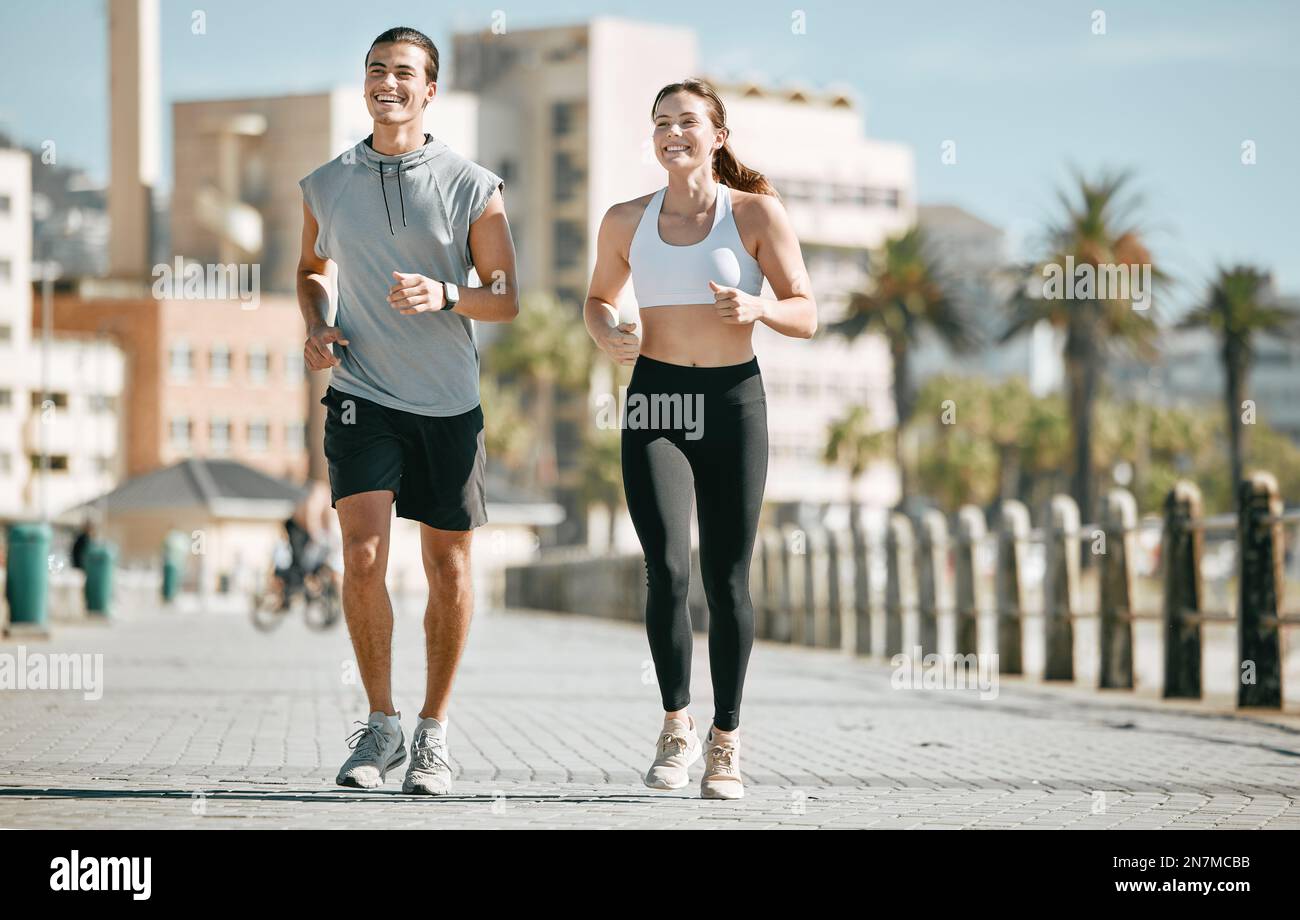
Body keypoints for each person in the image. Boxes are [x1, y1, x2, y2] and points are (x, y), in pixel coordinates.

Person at [296, 26, 518, 795]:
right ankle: (380, 725)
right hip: (362, 393)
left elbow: (507, 297)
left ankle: (433, 733)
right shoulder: (326, 183)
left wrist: (448, 293)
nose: (386, 82)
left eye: (403, 73)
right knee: (361, 554)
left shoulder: (471, 184)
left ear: (430, 90)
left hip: (448, 402)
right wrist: (318, 324)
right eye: (375, 70)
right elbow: (309, 270)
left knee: (447, 566)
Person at [584, 78, 816, 798]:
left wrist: (758, 306)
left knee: (727, 575)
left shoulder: (755, 213)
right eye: (660, 122)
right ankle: (676, 726)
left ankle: (726, 741)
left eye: (687, 121)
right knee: (667, 569)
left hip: (734, 402)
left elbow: (807, 311)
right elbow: (595, 300)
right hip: (657, 400)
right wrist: (610, 333)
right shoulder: (625, 219)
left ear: (718, 135)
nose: (671, 132)